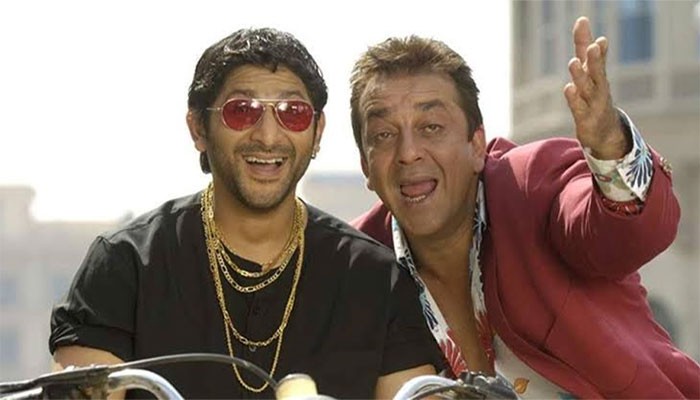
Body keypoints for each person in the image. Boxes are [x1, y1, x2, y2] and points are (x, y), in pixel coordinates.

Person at [49, 27, 443, 399]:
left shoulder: (375, 279)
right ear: (198, 128)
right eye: (241, 111)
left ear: (317, 131)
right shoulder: (126, 264)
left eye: (292, 112)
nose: (268, 136)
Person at [350, 16, 700, 399]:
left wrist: (609, 145)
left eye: (431, 127)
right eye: (384, 135)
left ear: (477, 145)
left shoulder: (532, 185)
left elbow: (626, 232)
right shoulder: (355, 266)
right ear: (366, 166)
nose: (408, 153)